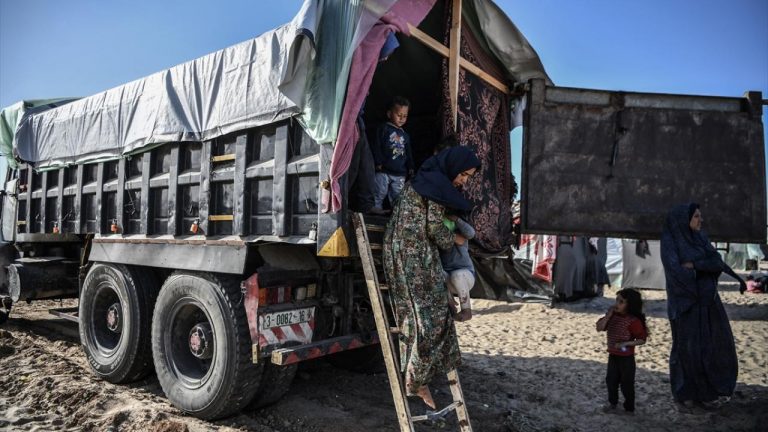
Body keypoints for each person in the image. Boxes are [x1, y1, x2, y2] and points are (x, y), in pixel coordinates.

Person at [383, 146, 480, 409]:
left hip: (409, 252)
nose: (463, 181)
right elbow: (435, 229)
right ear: (454, 167)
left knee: (419, 318)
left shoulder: (429, 180)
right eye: (464, 175)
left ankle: (417, 379)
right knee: (428, 319)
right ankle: (416, 381)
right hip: (410, 256)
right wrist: (457, 240)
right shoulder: (435, 186)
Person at [660, 203, 747, 411]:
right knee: (685, 350)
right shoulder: (671, 241)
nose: (701, 220)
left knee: (707, 349)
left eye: (700, 216)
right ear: (685, 219)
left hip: (706, 304)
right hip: (685, 306)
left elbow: (716, 262)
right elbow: (676, 272)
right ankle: (684, 396)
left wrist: (696, 265)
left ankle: (705, 393)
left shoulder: (700, 238)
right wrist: (698, 275)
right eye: (697, 216)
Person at [596, 288, 648, 414]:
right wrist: (607, 316)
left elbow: (642, 339)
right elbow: (599, 328)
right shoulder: (612, 316)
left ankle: (629, 408)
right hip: (613, 355)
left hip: (627, 358)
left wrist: (626, 343)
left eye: (621, 302)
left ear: (629, 304)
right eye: (617, 300)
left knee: (627, 384)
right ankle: (612, 403)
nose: (617, 304)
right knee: (611, 381)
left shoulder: (633, 321)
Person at [370, 96, 414, 214]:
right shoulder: (383, 129)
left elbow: (408, 153)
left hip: (400, 173)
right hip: (383, 170)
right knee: (379, 192)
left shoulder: (405, 135)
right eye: (399, 115)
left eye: (405, 116)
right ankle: (376, 210)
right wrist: (378, 162)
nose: (402, 118)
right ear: (389, 114)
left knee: (398, 196)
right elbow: (377, 145)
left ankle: (397, 215)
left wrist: (410, 167)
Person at [441, 212, 476, 322]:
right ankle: (450, 303)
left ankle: (466, 310)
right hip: (448, 278)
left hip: (466, 277)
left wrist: (456, 219)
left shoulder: (461, 235)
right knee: (437, 273)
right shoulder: (440, 239)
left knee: (458, 275)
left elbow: (471, 233)